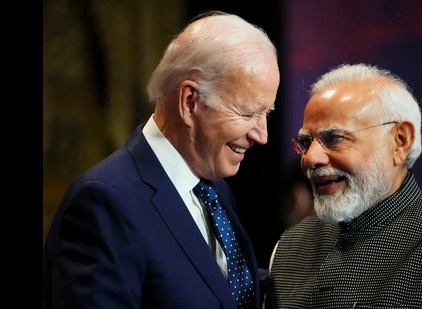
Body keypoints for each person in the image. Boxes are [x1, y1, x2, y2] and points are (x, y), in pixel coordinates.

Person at [43, 10, 280, 309]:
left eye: (266, 113)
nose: (262, 135)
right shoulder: (103, 203)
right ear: (190, 102)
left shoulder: (211, 188)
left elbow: (226, 291)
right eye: (248, 113)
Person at [264, 63, 422, 308]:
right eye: (306, 142)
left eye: (334, 138)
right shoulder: (289, 246)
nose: (310, 158)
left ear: (400, 142)